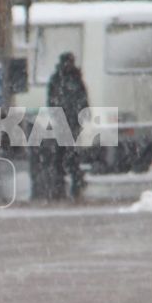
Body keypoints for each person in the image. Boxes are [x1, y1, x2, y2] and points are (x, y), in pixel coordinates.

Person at [44, 51, 90, 200]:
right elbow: (52, 100)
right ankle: (66, 186)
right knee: (65, 155)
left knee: (67, 155)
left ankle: (67, 185)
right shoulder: (65, 79)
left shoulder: (69, 78)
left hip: (70, 121)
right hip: (65, 121)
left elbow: (82, 99)